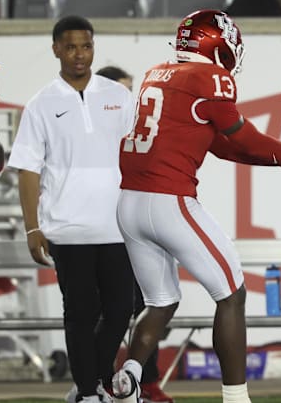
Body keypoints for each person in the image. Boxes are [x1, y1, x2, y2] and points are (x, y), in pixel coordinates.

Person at [109, 9, 281, 403]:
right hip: (169, 201)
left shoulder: (158, 72)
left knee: (161, 301)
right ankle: (237, 397)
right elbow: (244, 136)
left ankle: (130, 377)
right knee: (232, 294)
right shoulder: (209, 76)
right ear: (215, 44)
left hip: (129, 204)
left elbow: (224, 146)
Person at [7, 15, 135, 403]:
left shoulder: (119, 95)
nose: (80, 54)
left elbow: (137, 156)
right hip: (67, 229)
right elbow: (28, 171)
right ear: (56, 50)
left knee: (120, 312)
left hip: (118, 227)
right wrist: (32, 228)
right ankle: (88, 391)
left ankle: (91, 381)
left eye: (87, 46)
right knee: (79, 314)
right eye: (71, 47)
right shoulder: (40, 104)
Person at [95, 65, 174, 403]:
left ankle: (145, 382)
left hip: (136, 231)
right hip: (103, 236)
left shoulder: (140, 135)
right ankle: (96, 381)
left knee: (150, 303)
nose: (130, 99)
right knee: (110, 312)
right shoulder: (93, 140)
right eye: (121, 91)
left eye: (131, 91)